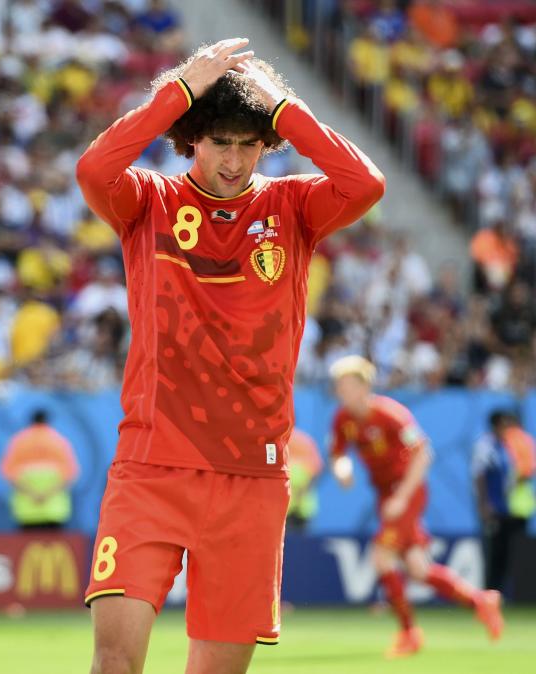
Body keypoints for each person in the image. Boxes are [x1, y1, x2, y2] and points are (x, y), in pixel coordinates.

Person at [76, 37, 385, 674]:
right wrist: (178, 91)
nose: (234, 158)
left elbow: (366, 182)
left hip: (251, 474)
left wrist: (286, 107)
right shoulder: (147, 203)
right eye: (219, 140)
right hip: (152, 464)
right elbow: (93, 171)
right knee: (114, 663)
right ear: (190, 138)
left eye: (249, 142)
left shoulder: (292, 207)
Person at [328, 355, 503, 658]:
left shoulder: (391, 414)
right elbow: (338, 454)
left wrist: (402, 497)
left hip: (406, 491)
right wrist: (342, 469)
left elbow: (423, 454)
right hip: (387, 495)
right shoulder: (343, 419)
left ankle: (409, 633)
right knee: (418, 569)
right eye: (338, 385)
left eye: (345, 384)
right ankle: (480, 601)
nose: (340, 390)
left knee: (381, 556)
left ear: (363, 386)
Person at [472, 410, 536, 593]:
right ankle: (490, 594)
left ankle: (504, 594)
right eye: (504, 424)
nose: (507, 428)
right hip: (494, 509)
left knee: (510, 554)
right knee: (495, 554)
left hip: (509, 508)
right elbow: (479, 476)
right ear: (496, 425)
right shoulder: (485, 446)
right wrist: (484, 504)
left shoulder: (507, 446)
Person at [0, 409, 79, 530]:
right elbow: (70, 474)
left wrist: (33, 494)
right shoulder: (58, 441)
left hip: (26, 508)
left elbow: (8, 473)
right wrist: (46, 494)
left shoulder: (19, 441)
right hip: (54, 507)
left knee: (27, 546)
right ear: (47, 421)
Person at [286, 427, 323, 531]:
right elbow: (317, 469)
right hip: (294, 505)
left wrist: (302, 492)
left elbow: (316, 470)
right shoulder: (305, 441)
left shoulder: (304, 441)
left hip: (298, 507)